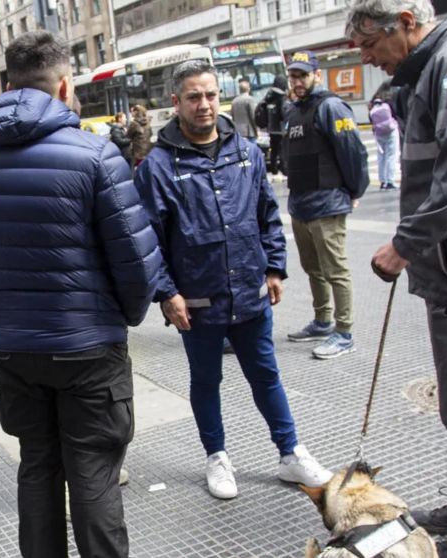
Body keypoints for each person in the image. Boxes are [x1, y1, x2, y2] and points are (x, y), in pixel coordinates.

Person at [0, 31, 161, 558]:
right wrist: (122, 315)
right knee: (95, 475)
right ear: (64, 84)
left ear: (5, 84)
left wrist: (4, 301)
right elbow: (136, 260)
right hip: (89, 349)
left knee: (37, 467)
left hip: (14, 347)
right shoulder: (95, 155)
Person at [134, 59, 332, 501]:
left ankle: (289, 452)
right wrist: (167, 293)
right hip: (198, 302)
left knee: (266, 375)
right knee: (205, 381)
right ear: (175, 103)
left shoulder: (246, 151)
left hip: (250, 292)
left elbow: (267, 215)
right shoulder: (159, 167)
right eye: (193, 97)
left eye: (209, 95)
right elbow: (148, 241)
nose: (204, 105)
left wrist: (275, 267)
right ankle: (217, 456)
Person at [350, 1, 447, 555]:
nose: (367, 57)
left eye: (370, 45)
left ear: (407, 22)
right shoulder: (431, 69)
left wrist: (405, 245)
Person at [283, 50, 369, 359]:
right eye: (293, 75)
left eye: (302, 75)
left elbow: (353, 153)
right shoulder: (293, 110)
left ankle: (344, 332)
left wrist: (355, 191)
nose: (297, 81)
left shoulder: (331, 106)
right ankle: (322, 321)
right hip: (301, 204)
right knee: (312, 269)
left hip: (327, 203)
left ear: (316, 75)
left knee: (336, 270)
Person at [368, 86, 399, 190]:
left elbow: (371, 119)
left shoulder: (373, 104)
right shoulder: (388, 101)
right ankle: (390, 181)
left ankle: (382, 181)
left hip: (379, 133)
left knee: (381, 156)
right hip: (391, 131)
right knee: (391, 156)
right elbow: (395, 115)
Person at [261, 75, 289, 175]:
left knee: (274, 149)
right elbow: (283, 113)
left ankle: (274, 169)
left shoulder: (269, 95)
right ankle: (284, 169)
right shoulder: (282, 96)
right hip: (280, 128)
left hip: (271, 127)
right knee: (282, 149)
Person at [230, 77, 258, 143]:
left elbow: (233, 117)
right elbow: (253, 116)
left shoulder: (234, 101)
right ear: (248, 89)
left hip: (238, 132)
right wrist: (256, 130)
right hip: (249, 132)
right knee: (252, 151)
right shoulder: (249, 99)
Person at [127, 104, 153, 169]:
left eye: (132, 111)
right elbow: (151, 133)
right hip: (148, 151)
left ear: (136, 112)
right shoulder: (147, 122)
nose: (131, 113)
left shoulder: (134, 124)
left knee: (139, 171)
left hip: (138, 153)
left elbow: (128, 135)